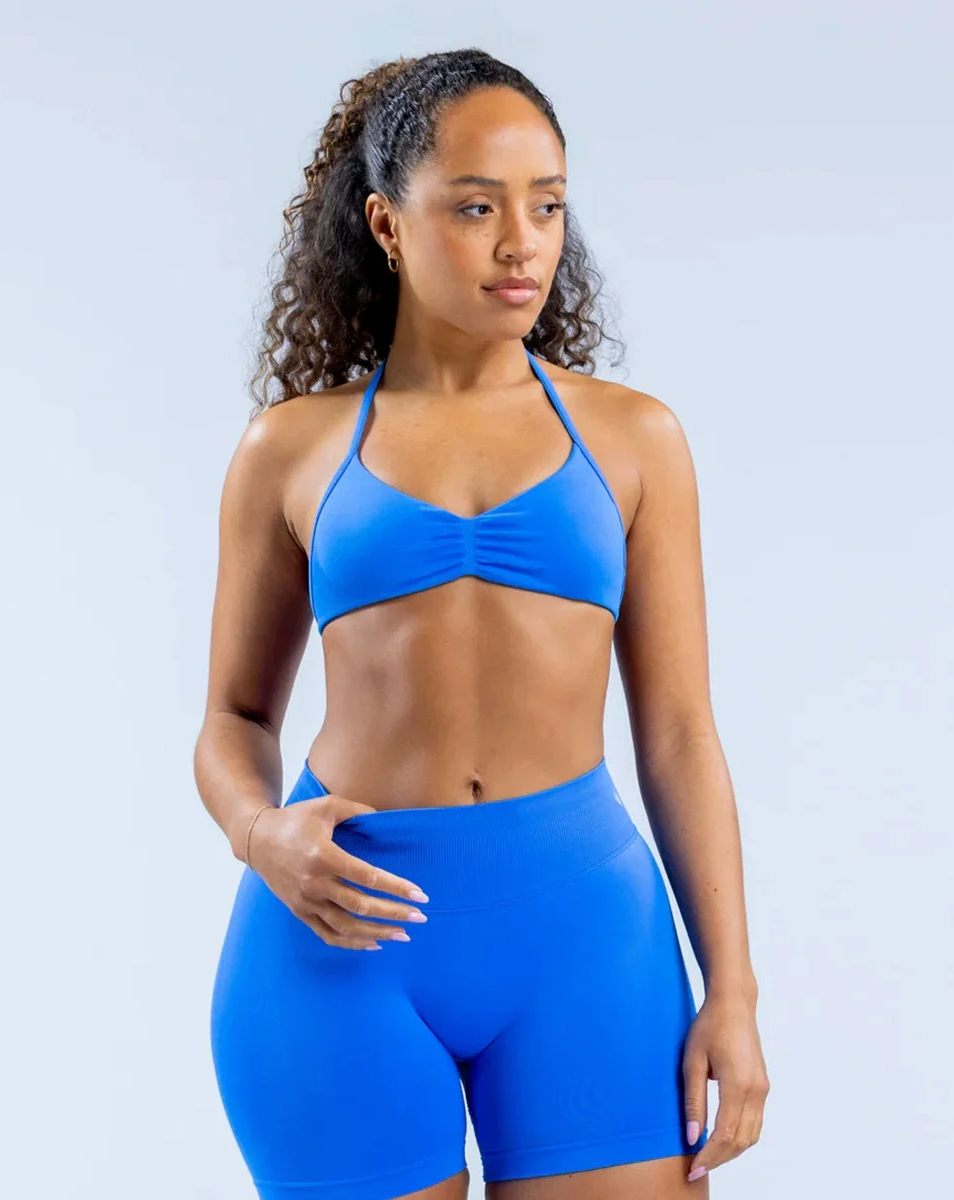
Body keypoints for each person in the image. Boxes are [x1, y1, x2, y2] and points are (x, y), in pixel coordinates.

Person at [194, 47, 768, 1200]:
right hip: (338, 937)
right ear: (387, 224)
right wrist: (262, 836)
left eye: (546, 205)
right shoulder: (290, 450)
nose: (523, 243)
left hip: (582, 936)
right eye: (476, 207)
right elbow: (233, 717)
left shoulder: (635, 440)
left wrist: (735, 992)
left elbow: (679, 734)